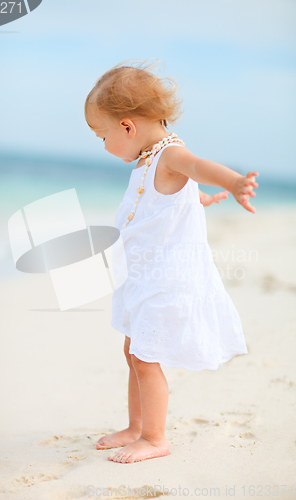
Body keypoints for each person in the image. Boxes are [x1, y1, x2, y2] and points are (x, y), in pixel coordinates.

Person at [84, 59, 259, 464]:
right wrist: (198, 198)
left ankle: (155, 437)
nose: (103, 145)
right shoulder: (150, 161)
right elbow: (166, 200)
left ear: (127, 127)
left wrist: (231, 182)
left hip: (166, 280)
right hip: (143, 277)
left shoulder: (170, 154)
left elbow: (196, 167)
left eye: (102, 135)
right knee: (133, 350)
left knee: (146, 356)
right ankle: (135, 427)